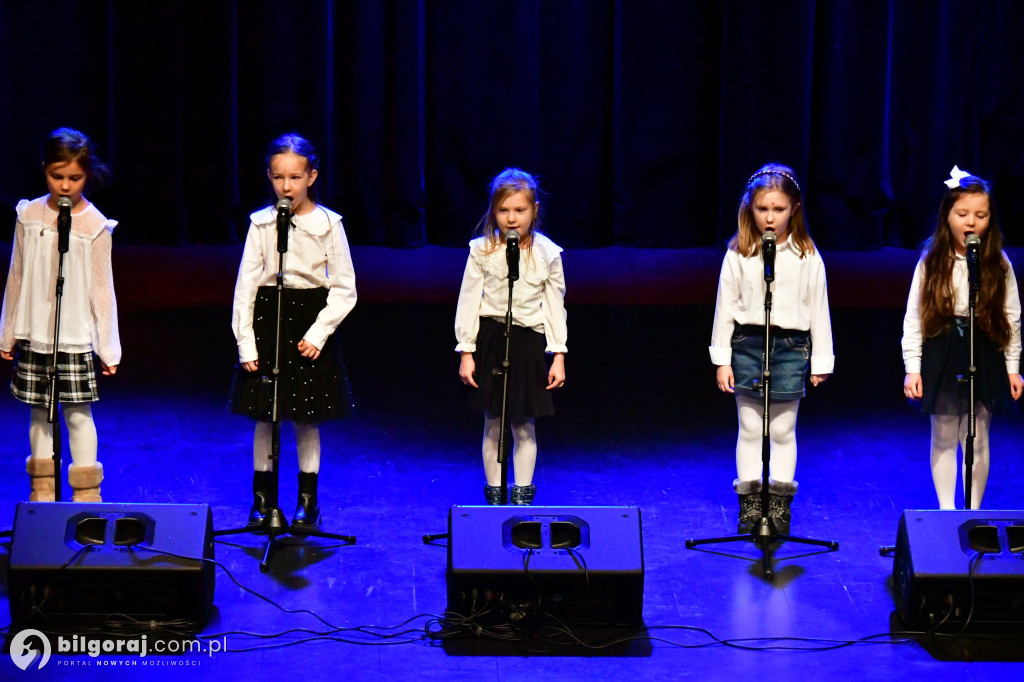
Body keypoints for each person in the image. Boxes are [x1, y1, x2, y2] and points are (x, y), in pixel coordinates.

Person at [230, 134, 356, 528]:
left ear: (311, 176)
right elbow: (246, 286)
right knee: (266, 416)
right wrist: (246, 342)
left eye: (296, 177)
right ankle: (263, 500)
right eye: (279, 178)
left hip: (308, 322)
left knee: (306, 415)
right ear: (269, 177)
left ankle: (307, 502)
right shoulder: (261, 224)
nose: (287, 186)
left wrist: (319, 333)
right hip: (270, 319)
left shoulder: (328, 225)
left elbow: (345, 287)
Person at [709, 163, 833, 534]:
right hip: (747, 343)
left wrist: (821, 358)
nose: (770, 217)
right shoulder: (738, 253)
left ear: (793, 209)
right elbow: (724, 308)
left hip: (790, 346)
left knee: (782, 430)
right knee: (749, 427)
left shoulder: (807, 256)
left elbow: (818, 309)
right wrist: (722, 359)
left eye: (778, 209)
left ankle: (778, 508)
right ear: (750, 208)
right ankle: (749, 507)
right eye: (763, 209)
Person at [0, 127, 119, 502]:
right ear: (44, 170)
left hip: (75, 336)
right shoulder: (29, 215)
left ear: (87, 174)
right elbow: (16, 274)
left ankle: (86, 498)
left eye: (75, 177)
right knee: (39, 412)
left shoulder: (95, 226)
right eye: (57, 176)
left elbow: (103, 290)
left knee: (78, 413)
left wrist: (108, 348)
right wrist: (7, 333)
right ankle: (42, 495)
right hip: (37, 332)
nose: (65, 186)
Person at [902, 166, 1023, 509]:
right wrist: (913, 367)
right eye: (963, 214)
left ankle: (972, 511)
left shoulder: (998, 264)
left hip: (983, 347)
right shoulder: (931, 262)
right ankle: (946, 511)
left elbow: (1012, 318)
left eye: (980, 215)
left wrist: (1012, 367)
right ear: (947, 216)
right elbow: (914, 317)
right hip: (942, 348)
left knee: (977, 435)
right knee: (943, 433)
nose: (971, 223)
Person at [455, 168, 567, 505]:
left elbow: (554, 305)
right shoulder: (481, 250)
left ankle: (522, 497)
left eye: (520, 210)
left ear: (534, 210)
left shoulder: (548, 253)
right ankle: (494, 497)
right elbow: (469, 300)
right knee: (493, 420)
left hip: (528, 342)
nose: (512, 218)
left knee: (522, 422)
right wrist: (466, 351)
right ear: (494, 212)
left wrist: (558, 354)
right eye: (504, 210)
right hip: (491, 339)